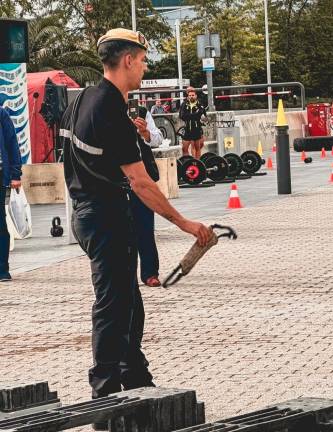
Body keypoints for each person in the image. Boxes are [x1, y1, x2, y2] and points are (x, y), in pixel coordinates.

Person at [58, 29, 211, 408]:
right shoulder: (109, 108)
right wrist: (185, 223)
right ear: (127, 60)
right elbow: (142, 182)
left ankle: (134, 374)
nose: (144, 67)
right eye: (142, 60)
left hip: (88, 212)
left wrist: (137, 138)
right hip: (106, 214)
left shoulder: (82, 102)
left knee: (127, 300)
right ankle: (105, 389)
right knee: (113, 302)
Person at [130, 103, 163, 287]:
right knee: (119, 232)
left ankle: (150, 272)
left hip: (142, 177)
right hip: (115, 180)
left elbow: (158, 139)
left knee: (145, 227)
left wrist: (145, 133)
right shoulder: (103, 109)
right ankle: (124, 275)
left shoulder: (141, 112)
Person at [0, 106, 22, 282]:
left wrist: (16, 174)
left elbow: (11, 143)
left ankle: (2, 269)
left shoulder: (1, 113)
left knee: (0, 220)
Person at [179, 87, 206, 159]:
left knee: (197, 148)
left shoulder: (199, 104)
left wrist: (189, 116)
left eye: (193, 95)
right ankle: (187, 162)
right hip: (187, 129)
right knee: (184, 148)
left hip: (197, 129)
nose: (191, 96)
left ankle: (197, 163)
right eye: (190, 95)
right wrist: (194, 115)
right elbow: (182, 116)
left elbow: (202, 115)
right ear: (188, 95)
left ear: (196, 95)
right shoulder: (184, 104)